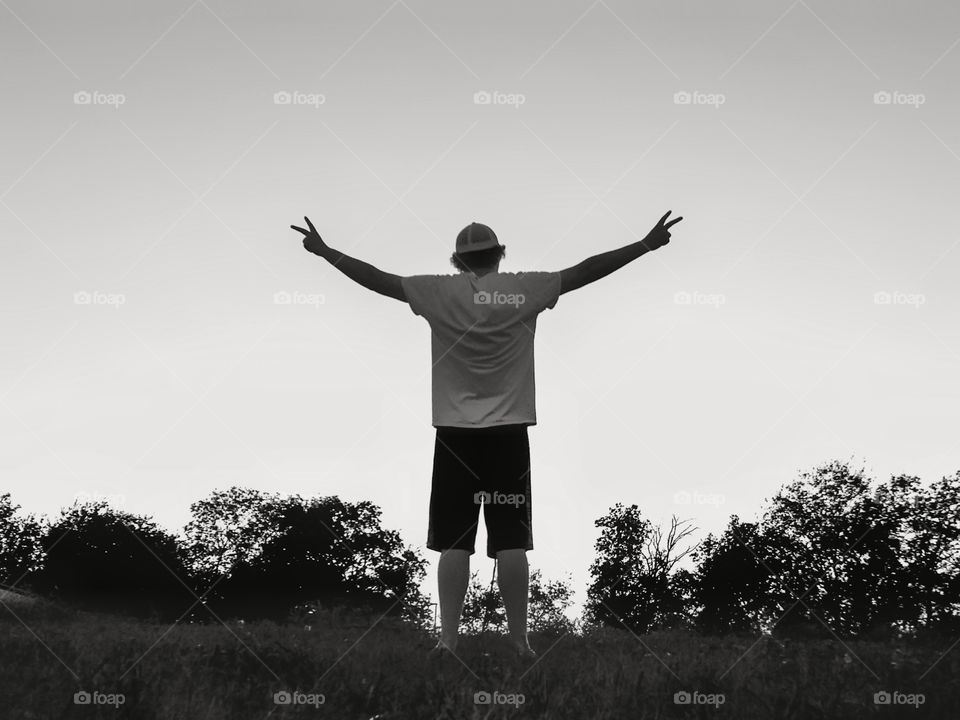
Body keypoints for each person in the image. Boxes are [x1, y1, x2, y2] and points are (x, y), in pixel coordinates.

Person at [290, 211, 682, 660]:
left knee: (454, 541)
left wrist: (325, 253)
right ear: (499, 254)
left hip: (455, 436)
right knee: (512, 540)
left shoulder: (437, 291)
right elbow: (587, 270)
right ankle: (520, 641)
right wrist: (646, 244)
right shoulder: (524, 288)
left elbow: (378, 279)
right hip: (509, 435)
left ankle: (448, 641)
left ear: (458, 260)